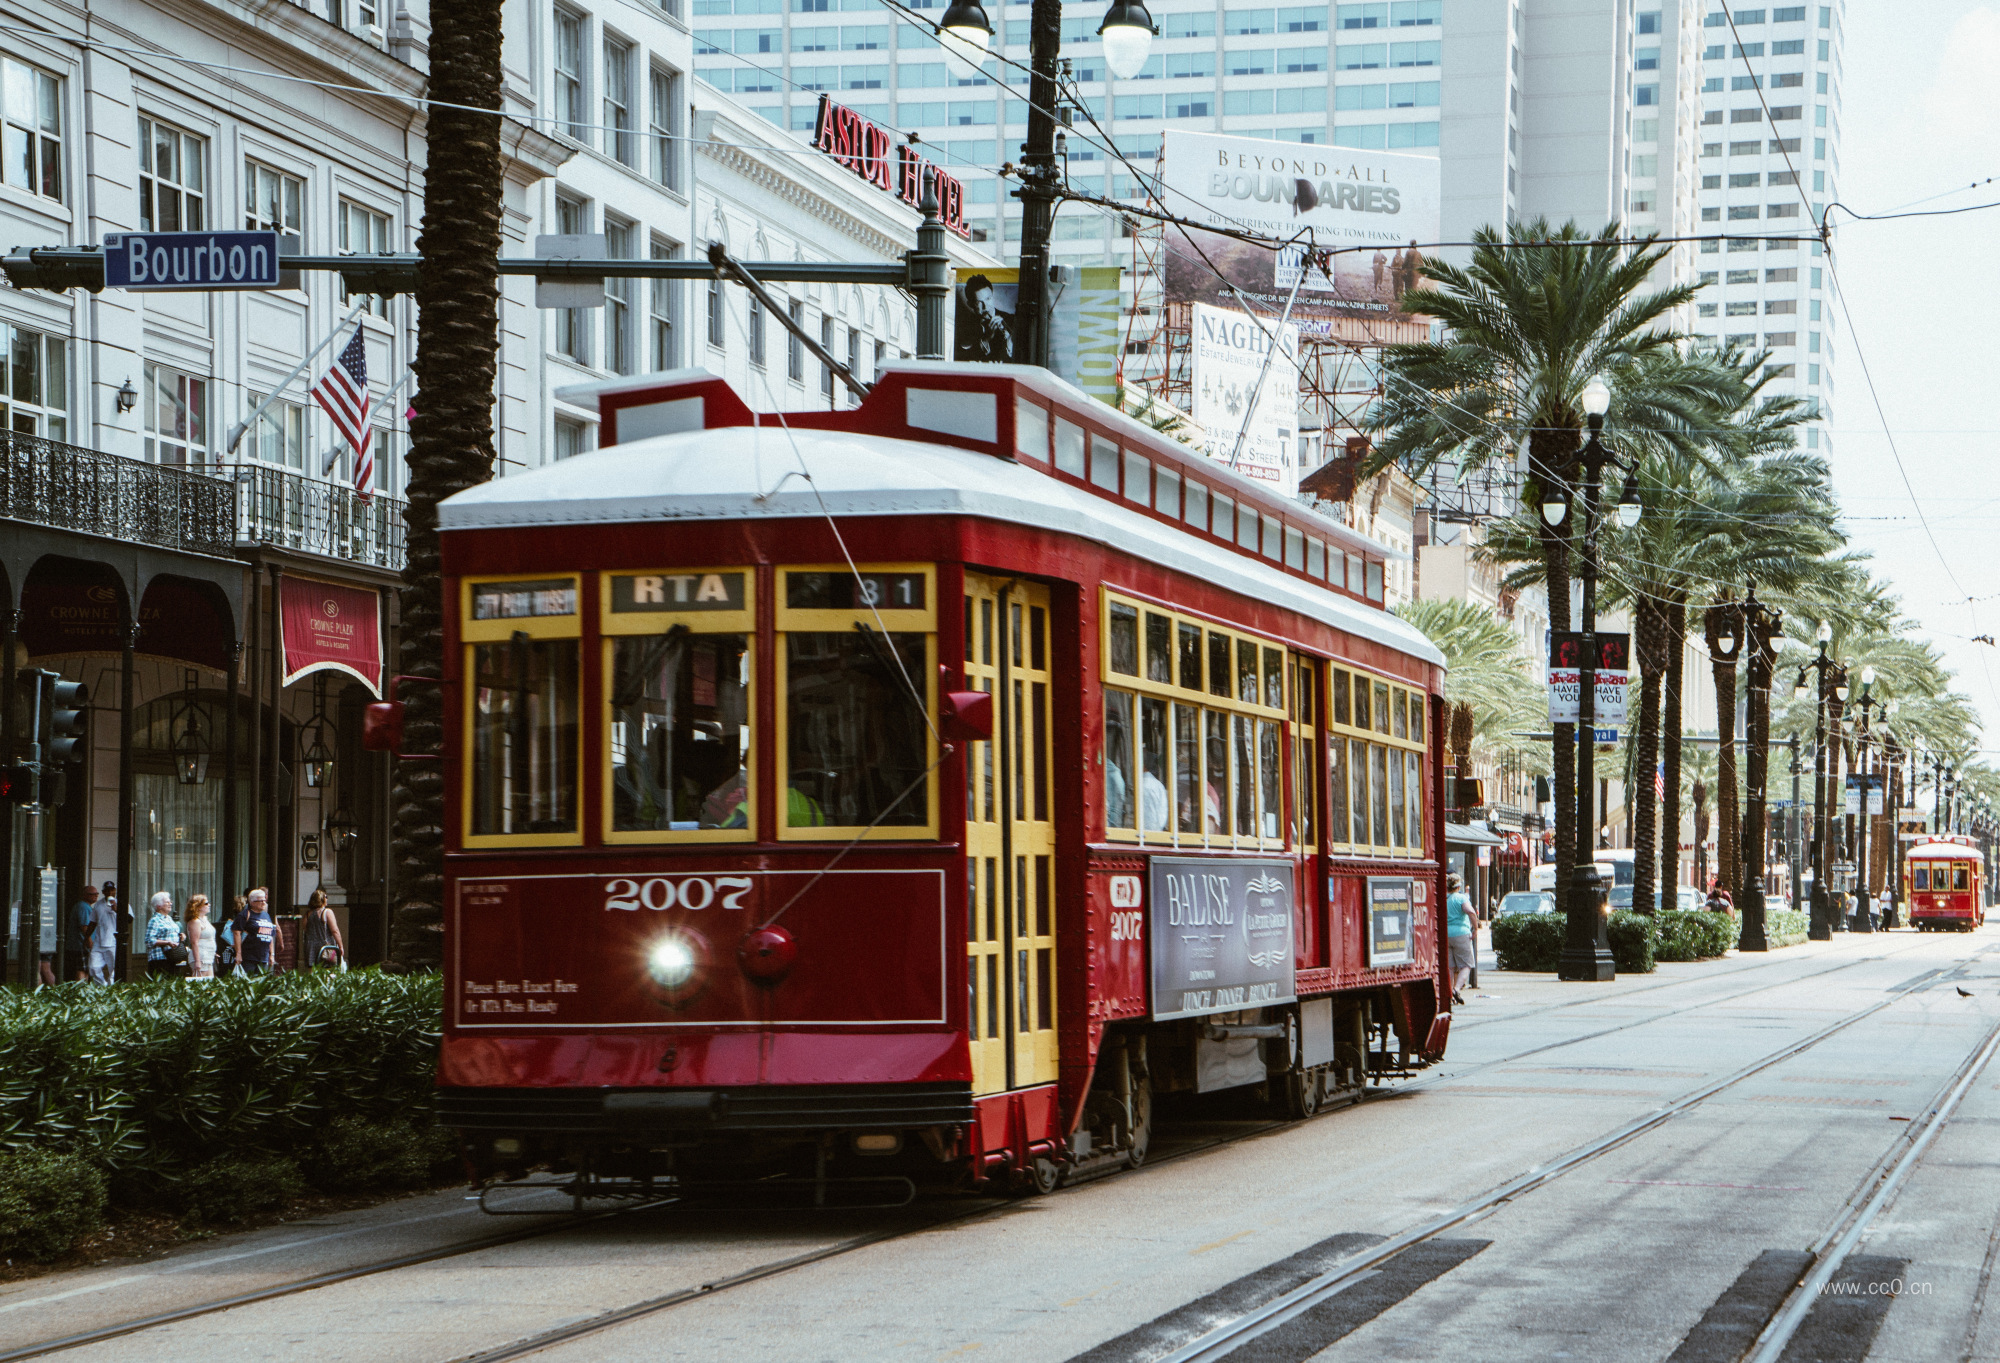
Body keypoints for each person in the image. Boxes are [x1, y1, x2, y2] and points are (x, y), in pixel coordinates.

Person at [1446, 873, 1478, 1006]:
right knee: (1466, 965)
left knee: (1450, 967)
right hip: (1461, 934)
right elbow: (1470, 911)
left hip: (1447, 935)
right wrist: (1475, 928)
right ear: (1459, 886)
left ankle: (1449, 994)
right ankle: (1456, 989)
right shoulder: (1461, 898)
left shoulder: (1444, 899)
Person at [238, 888, 282, 976]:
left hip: (264, 957)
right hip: (249, 956)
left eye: (265, 900)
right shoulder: (245, 914)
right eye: (261, 901)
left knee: (261, 982)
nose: (264, 903)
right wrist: (238, 953)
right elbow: (236, 933)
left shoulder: (267, 915)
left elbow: (270, 936)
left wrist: (271, 954)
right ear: (252, 902)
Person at [301, 888, 345, 970]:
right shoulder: (327, 912)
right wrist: (340, 946)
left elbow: (305, 929)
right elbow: (335, 931)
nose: (327, 899)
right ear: (321, 899)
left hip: (310, 948)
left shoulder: (307, 915)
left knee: (312, 971)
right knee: (329, 970)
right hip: (325, 948)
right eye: (326, 897)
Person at [144, 892, 186, 978]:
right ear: (159, 906)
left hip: (172, 958)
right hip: (160, 960)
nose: (170, 904)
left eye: (170, 902)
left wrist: (181, 937)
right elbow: (149, 940)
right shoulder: (154, 920)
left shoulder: (169, 918)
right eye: (167, 902)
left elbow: (170, 934)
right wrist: (167, 942)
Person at [87, 884, 120, 984]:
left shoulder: (121, 903)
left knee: (113, 970)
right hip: (99, 941)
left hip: (113, 942)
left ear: (115, 890)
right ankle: (103, 987)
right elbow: (93, 922)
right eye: (107, 891)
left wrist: (117, 910)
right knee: (93, 966)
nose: (110, 893)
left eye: (112, 890)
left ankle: (112, 989)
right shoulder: (98, 905)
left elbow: (129, 919)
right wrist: (86, 937)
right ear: (103, 892)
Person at [69, 882, 100, 981]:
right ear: (85, 895)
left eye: (96, 894)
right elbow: (84, 926)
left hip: (82, 944)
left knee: (86, 969)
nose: (95, 896)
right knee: (82, 969)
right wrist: (89, 941)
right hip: (82, 944)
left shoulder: (85, 906)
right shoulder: (83, 907)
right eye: (92, 894)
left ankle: (84, 989)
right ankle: (80, 990)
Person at [185, 894, 217, 980]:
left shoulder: (205, 920)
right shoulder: (195, 921)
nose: (209, 905)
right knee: (201, 984)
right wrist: (197, 961)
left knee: (210, 984)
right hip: (201, 957)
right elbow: (194, 942)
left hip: (208, 956)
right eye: (206, 903)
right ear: (198, 906)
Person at [217, 895, 245, 976]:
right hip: (237, 945)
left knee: (225, 968)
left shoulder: (225, 917)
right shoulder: (243, 917)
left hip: (225, 945)